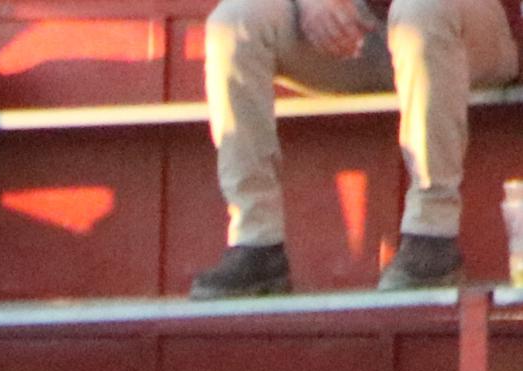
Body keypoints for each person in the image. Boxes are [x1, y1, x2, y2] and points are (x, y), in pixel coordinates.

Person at [193, 0, 513, 295]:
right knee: (233, 22)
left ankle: (432, 237)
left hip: (471, 24)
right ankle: (256, 243)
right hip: (369, 28)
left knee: (421, 8)